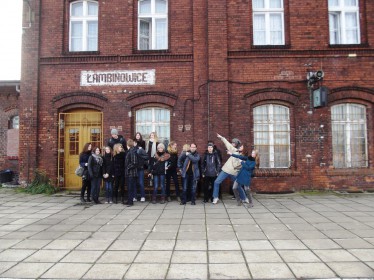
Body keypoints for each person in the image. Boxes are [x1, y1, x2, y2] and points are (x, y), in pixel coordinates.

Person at [212, 133, 243, 204]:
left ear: (236, 144)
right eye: (232, 143)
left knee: (238, 185)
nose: (232, 144)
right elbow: (227, 143)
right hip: (226, 170)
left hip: (233, 172)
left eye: (233, 143)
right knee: (216, 182)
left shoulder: (237, 151)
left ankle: (243, 198)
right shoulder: (234, 150)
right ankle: (215, 197)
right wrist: (221, 137)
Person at [134, 137, 149, 202]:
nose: (133, 144)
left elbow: (146, 157)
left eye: (134, 143)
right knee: (134, 183)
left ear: (136, 143)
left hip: (140, 168)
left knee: (141, 182)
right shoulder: (131, 150)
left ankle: (142, 196)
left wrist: (140, 156)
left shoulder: (140, 149)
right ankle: (135, 196)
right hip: (134, 169)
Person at [125, 139, 138, 207]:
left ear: (128, 145)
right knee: (129, 187)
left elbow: (134, 163)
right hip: (129, 173)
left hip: (131, 173)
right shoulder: (130, 151)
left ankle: (130, 202)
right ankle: (129, 200)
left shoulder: (132, 151)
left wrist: (127, 167)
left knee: (130, 187)